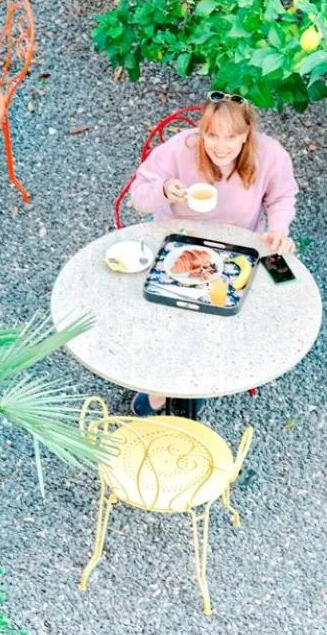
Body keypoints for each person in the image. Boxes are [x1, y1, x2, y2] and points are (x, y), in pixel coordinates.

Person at [126, 91, 298, 416]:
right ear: (201, 130)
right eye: (212, 135)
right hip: (179, 241)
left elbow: (283, 197)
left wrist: (278, 228)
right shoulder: (181, 147)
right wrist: (163, 190)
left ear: (247, 134)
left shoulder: (271, 155)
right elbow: (139, 196)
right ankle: (161, 387)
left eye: (231, 136)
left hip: (238, 246)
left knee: (255, 304)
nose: (220, 146)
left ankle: (199, 379)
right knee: (168, 314)